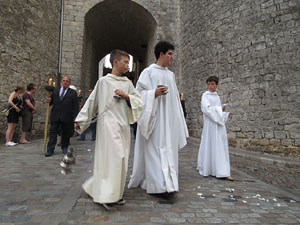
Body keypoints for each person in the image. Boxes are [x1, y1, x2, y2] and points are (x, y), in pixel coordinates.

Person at [75, 49, 143, 210]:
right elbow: (92, 102)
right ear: (115, 62)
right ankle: (106, 195)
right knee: (113, 158)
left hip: (123, 126)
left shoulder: (127, 83)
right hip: (107, 126)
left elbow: (139, 102)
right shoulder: (103, 82)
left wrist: (127, 97)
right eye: (125, 62)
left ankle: (114, 193)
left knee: (122, 159)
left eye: (129, 62)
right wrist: (81, 120)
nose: (128, 65)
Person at [128, 41, 189, 196]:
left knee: (169, 150)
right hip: (153, 118)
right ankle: (158, 187)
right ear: (161, 54)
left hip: (168, 120)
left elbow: (175, 99)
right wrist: (152, 94)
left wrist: (178, 119)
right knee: (154, 150)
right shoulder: (148, 72)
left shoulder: (171, 74)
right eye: (170, 54)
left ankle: (170, 184)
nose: (172, 57)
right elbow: (137, 95)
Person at [197, 76, 233, 181]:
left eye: (212, 84)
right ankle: (212, 168)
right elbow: (206, 109)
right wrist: (219, 109)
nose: (210, 86)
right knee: (211, 144)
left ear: (217, 85)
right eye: (209, 84)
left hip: (218, 125)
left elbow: (217, 111)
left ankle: (220, 169)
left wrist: (225, 114)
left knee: (220, 145)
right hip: (210, 125)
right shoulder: (205, 95)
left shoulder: (217, 96)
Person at [44, 76, 79, 157]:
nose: (65, 82)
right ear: (61, 82)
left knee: (65, 133)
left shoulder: (73, 93)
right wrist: (49, 101)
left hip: (67, 116)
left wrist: (75, 117)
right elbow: (51, 102)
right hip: (55, 115)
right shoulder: (55, 91)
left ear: (69, 83)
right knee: (53, 133)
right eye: (63, 81)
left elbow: (75, 106)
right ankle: (50, 149)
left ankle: (64, 147)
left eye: (67, 81)